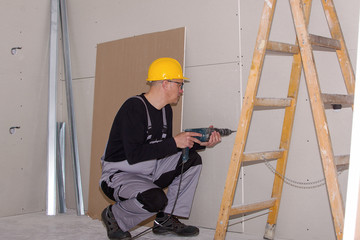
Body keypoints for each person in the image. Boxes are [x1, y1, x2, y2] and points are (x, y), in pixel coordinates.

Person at [100, 57, 221, 240]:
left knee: (192, 159)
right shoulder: (133, 108)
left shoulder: (165, 110)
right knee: (156, 200)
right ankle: (114, 216)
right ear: (165, 83)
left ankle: (165, 220)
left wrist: (199, 143)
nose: (181, 91)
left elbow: (164, 149)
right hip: (119, 174)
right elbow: (134, 155)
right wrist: (174, 142)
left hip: (149, 169)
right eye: (179, 85)